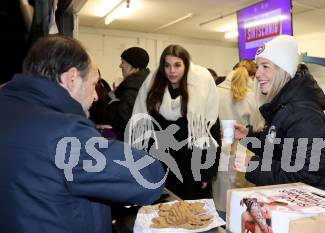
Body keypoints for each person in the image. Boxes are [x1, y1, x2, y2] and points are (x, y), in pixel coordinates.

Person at [0, 35, 165, 233]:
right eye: (92, 83)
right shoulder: (64, 133)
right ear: (71, 78)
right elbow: (149, 176)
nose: (96, 94)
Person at [233, 35, 325, 199]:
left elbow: (304, 176)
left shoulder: (303, 114)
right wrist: (249, 136)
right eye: (257, 66)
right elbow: (280, 147)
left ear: (283, 70)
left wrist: (252, 165)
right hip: (306, 204)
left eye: (265, 66)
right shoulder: (285, 107)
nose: (258, 73)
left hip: (320, 207)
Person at [130, 44, 221, 200]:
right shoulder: (153, 90)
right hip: (160, 164)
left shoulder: (200, 92)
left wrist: (207, 172)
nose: (172, 71)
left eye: (177, 65)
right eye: (167, 65)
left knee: (192, 218)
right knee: (164, 215)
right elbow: (144, 129)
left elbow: (211, 131)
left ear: (186, 66)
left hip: (192, 167)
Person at [213, 59, 262, 215]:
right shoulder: (254, 96)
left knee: (221, 199)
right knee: (242, 202)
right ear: (253, 76)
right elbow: (258, 127)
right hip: (245, 149)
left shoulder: (215, 91)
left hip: (220, 148)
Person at [90, 47, 150, 140]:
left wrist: (113, 101)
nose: (120, 66)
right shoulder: (141, 85)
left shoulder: (132, 89)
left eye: (123, 62)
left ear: (134, 66)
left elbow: (122, 122)